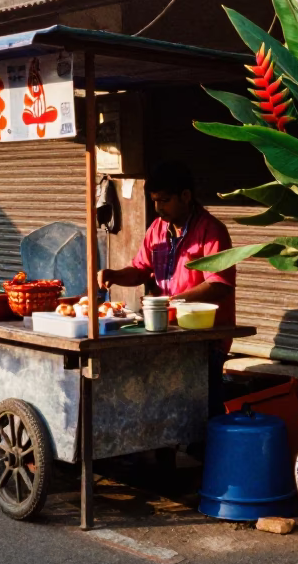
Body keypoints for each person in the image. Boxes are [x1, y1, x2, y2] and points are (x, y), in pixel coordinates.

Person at [98, 161, 236, 415]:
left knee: (202, 411)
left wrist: (173, 301)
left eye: (165, 200)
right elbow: (141, 268)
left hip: (204, 337)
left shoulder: (212, 231)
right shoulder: (157, 230)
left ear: (185, 196)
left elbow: (219, 284)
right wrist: (114, 275)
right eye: (154, 201)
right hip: (165, 332)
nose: (158, 208)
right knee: (164, 406)